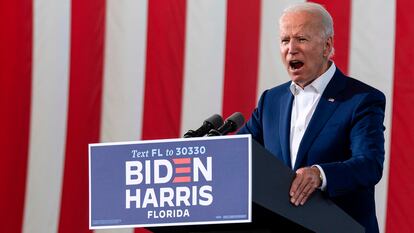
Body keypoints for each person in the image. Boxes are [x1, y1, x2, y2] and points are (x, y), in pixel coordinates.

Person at [238, 3, 385, 233]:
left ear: (327, 46)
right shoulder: (271, 101)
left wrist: (320, 174)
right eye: (285, 40)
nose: (291, 49)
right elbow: (238, 152)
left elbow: (369, 165)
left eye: (301, 39)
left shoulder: (360, 100)